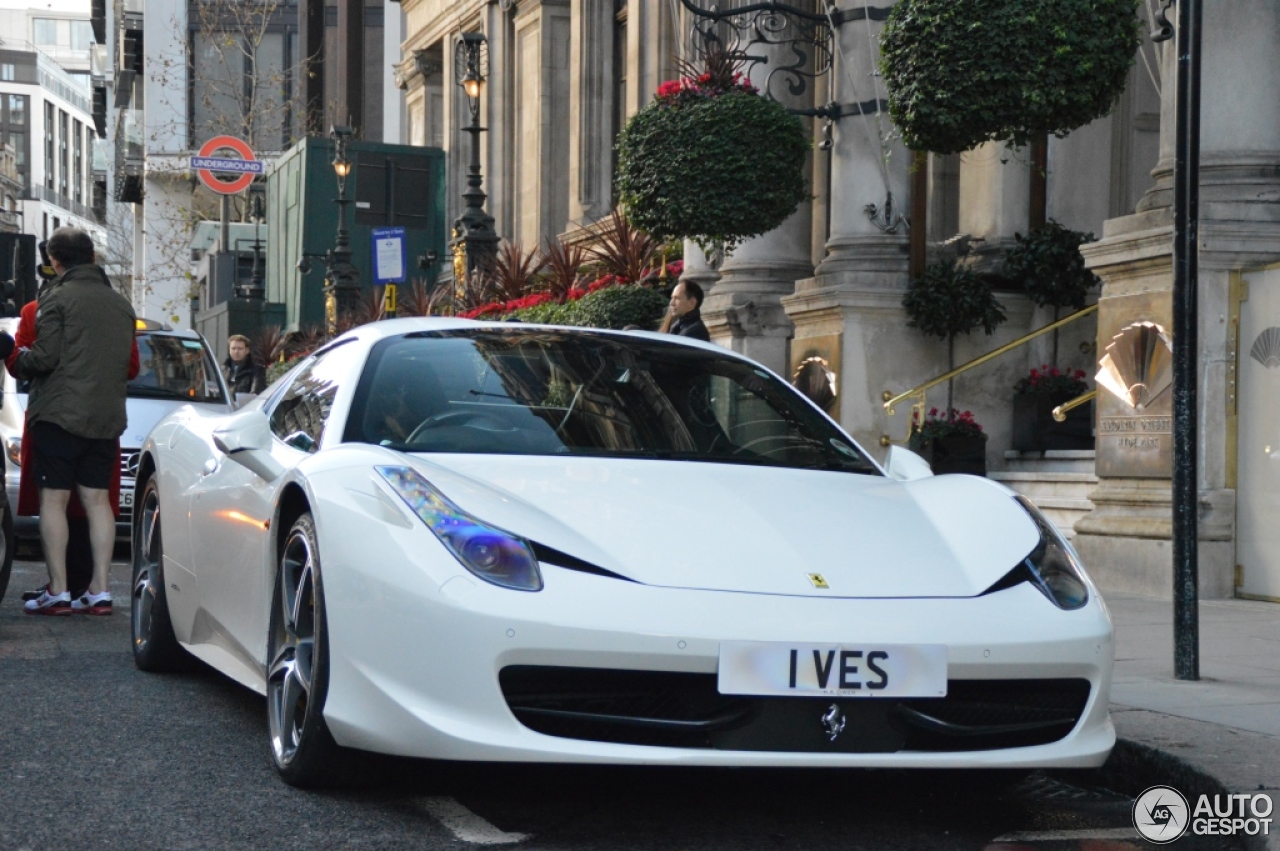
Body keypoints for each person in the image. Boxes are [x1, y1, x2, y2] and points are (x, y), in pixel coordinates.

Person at [0, 227, 136, 616]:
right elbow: (128, 366)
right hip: (106, 418)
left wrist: (14, 357)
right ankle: (101, 589)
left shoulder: (55, 299)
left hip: (58, 416)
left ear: (55, 261)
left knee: (54, 501)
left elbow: (42, 359)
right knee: (97, 501)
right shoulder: (120, 304)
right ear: (91, 257)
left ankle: (58, 590)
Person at [222, 333, 266, 398]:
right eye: (233, 348)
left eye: (240, 349)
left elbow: (255, 393)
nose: (236, 351)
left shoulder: (257, 370)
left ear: (247, 350)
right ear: (229, 350)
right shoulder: (222, 370)